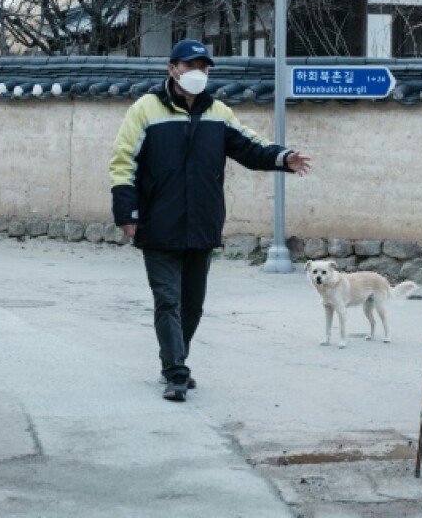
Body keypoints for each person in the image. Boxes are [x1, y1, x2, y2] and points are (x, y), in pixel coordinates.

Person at [110, 40, 313, 402]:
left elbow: (249, 146)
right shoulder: (145, 110)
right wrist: (127, 213)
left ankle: (174, 358)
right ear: (173, 69)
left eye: (204, 68)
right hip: (158, 223)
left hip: (202, 223)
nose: (198, 74)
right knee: (167, 301)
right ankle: (176, 373)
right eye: (191, 67)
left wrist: (283, 157)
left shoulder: (218, 113)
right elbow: (123, 162)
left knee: (192, 304)